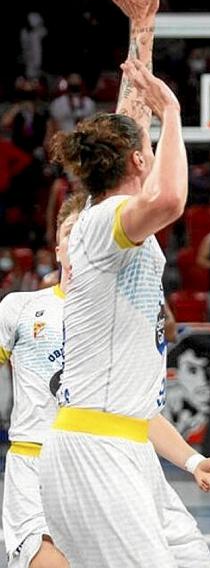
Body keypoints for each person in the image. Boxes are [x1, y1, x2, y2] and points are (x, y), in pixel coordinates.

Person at [38, 0, 210, 567]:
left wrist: (142, 31)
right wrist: (178, 113)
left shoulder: (111, 211)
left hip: (124, 445)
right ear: (134, 165)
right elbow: (172, 196)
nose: (151, 147)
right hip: (95, 452)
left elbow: (131, 121)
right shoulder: (102, 221)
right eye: (147, 149)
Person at [0, 194, 84, 568]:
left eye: (86, 233)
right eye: (70, 232)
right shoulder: (19, 307)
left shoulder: (120, 315)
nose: (77, 240)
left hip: (94, 465)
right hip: (32, 462)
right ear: (58, 247)